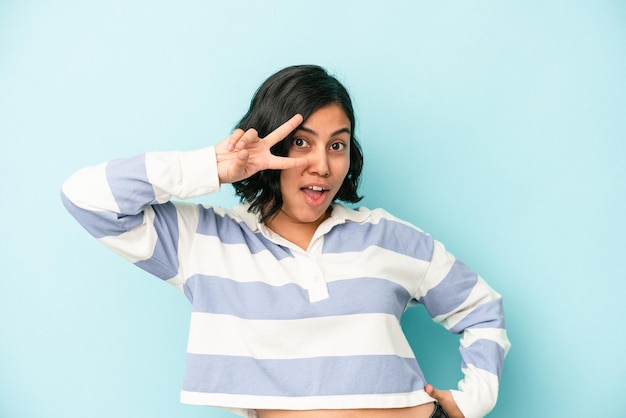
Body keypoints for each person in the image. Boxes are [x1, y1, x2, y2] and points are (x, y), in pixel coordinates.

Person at [61, 65, 510, 418]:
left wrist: (475, 402)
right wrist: (215, 165)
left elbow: (481, 308)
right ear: (266, 143)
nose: (322, 165)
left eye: (338, 145)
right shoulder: (205, 240)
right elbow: (87, 197)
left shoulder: (386, 235)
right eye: (300, 142)